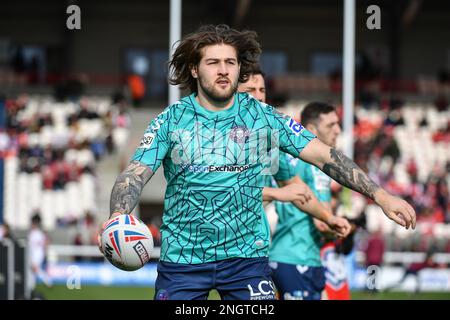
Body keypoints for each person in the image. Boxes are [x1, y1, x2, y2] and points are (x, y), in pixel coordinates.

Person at [100, 24, 415, 300]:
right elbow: (135, 174)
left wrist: (380, 195)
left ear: (240, 69)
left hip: (246, 261)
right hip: (183, 261)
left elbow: (324, 155)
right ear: (195, 70)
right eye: (213, 63)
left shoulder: (263, 118)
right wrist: (117, 215)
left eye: (230, 62)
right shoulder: (171, 120)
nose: (223, 70)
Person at [28, 213, 52, 293]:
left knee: (34, 269)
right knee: (32, 271)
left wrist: (43, 251)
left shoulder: (36, 233)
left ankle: (47, 280)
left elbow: (46, 242)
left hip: (36, 254)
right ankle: (31, 287)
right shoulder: (35, 233)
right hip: (35, 254)